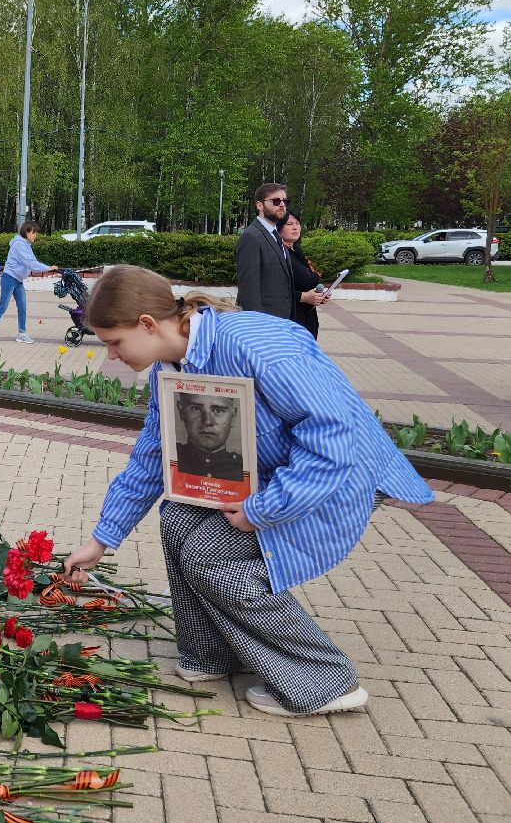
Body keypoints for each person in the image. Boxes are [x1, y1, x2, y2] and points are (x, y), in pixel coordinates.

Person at [62, 266, 433, 717]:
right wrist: (101, 540)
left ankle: (324, 681)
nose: (112, 355)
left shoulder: (253, 345)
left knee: (210, 557)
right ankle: (213, 652)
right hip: (277, 477)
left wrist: (263, 509)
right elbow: (153, 456)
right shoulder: (169, 367)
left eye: (115, 342)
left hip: (336, 476)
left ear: (147, 324)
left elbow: (334, 438)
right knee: (177, 517)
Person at [0, 221, 57, 344]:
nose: (35, 235)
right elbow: (30, 263)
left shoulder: (26, 244)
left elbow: (33, 261)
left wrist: (45, 268)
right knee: (3, 306)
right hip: (9, 278)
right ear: (26, 232)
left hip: (18, 280)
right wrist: (47, 268)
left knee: (22, 307)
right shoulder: (19, 245)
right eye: (33, 233)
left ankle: (22, 334)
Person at [234, 183, 294, 318]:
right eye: (276, 201)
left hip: (281, 318)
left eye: (285, 201)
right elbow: (249, 289)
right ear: (259, 205)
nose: (282, 205)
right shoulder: (251, 237)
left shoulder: (275, 234)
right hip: (264, 322)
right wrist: (258, 324)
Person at [278, 210, 330, 339]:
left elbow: (309, 281)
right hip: (290, 321)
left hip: (307, 318)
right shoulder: (279, 254)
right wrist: (304, 297)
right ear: (278, 227)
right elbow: (274, 290)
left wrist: (318, 295)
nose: (295, 227)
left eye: (297, 223)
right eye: (289, 224)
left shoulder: (296, 252)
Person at [174, 393, 244, 480]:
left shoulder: (242, 468)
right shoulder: (170, 457)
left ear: (233, 417)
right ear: (181, 412)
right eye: (196, 409)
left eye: (218, 411)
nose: (207, 421)